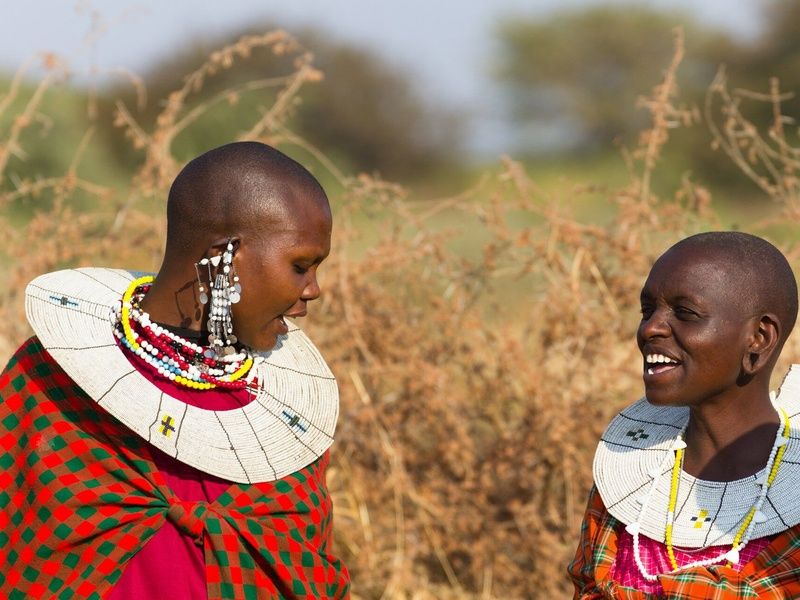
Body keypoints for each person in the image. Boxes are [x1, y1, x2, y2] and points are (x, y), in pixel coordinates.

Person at [0, 141, 350, 599]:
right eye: (300, 266)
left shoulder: (283, 418)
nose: (315, 290)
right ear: (227, 255)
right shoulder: (52, 383)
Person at [568, 231, 800, 599]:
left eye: (685, 313)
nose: (650, 329)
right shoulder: (632, 476)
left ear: (758, 339)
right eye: (648, 310)